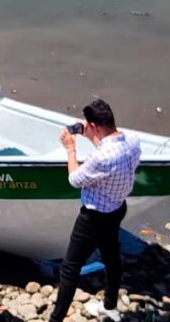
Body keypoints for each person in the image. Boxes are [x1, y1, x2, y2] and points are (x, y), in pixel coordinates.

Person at [49, 98, 141, 322]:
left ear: (94, 126)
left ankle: (55, 319)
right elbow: (108, 145)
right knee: (111, 258)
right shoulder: (133, 141)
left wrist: (71, 149)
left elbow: (75, 179)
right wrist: (90, 135)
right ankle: (110, 306)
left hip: (93, 217)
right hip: (117, 208)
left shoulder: (100, 157)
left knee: (69, 268)